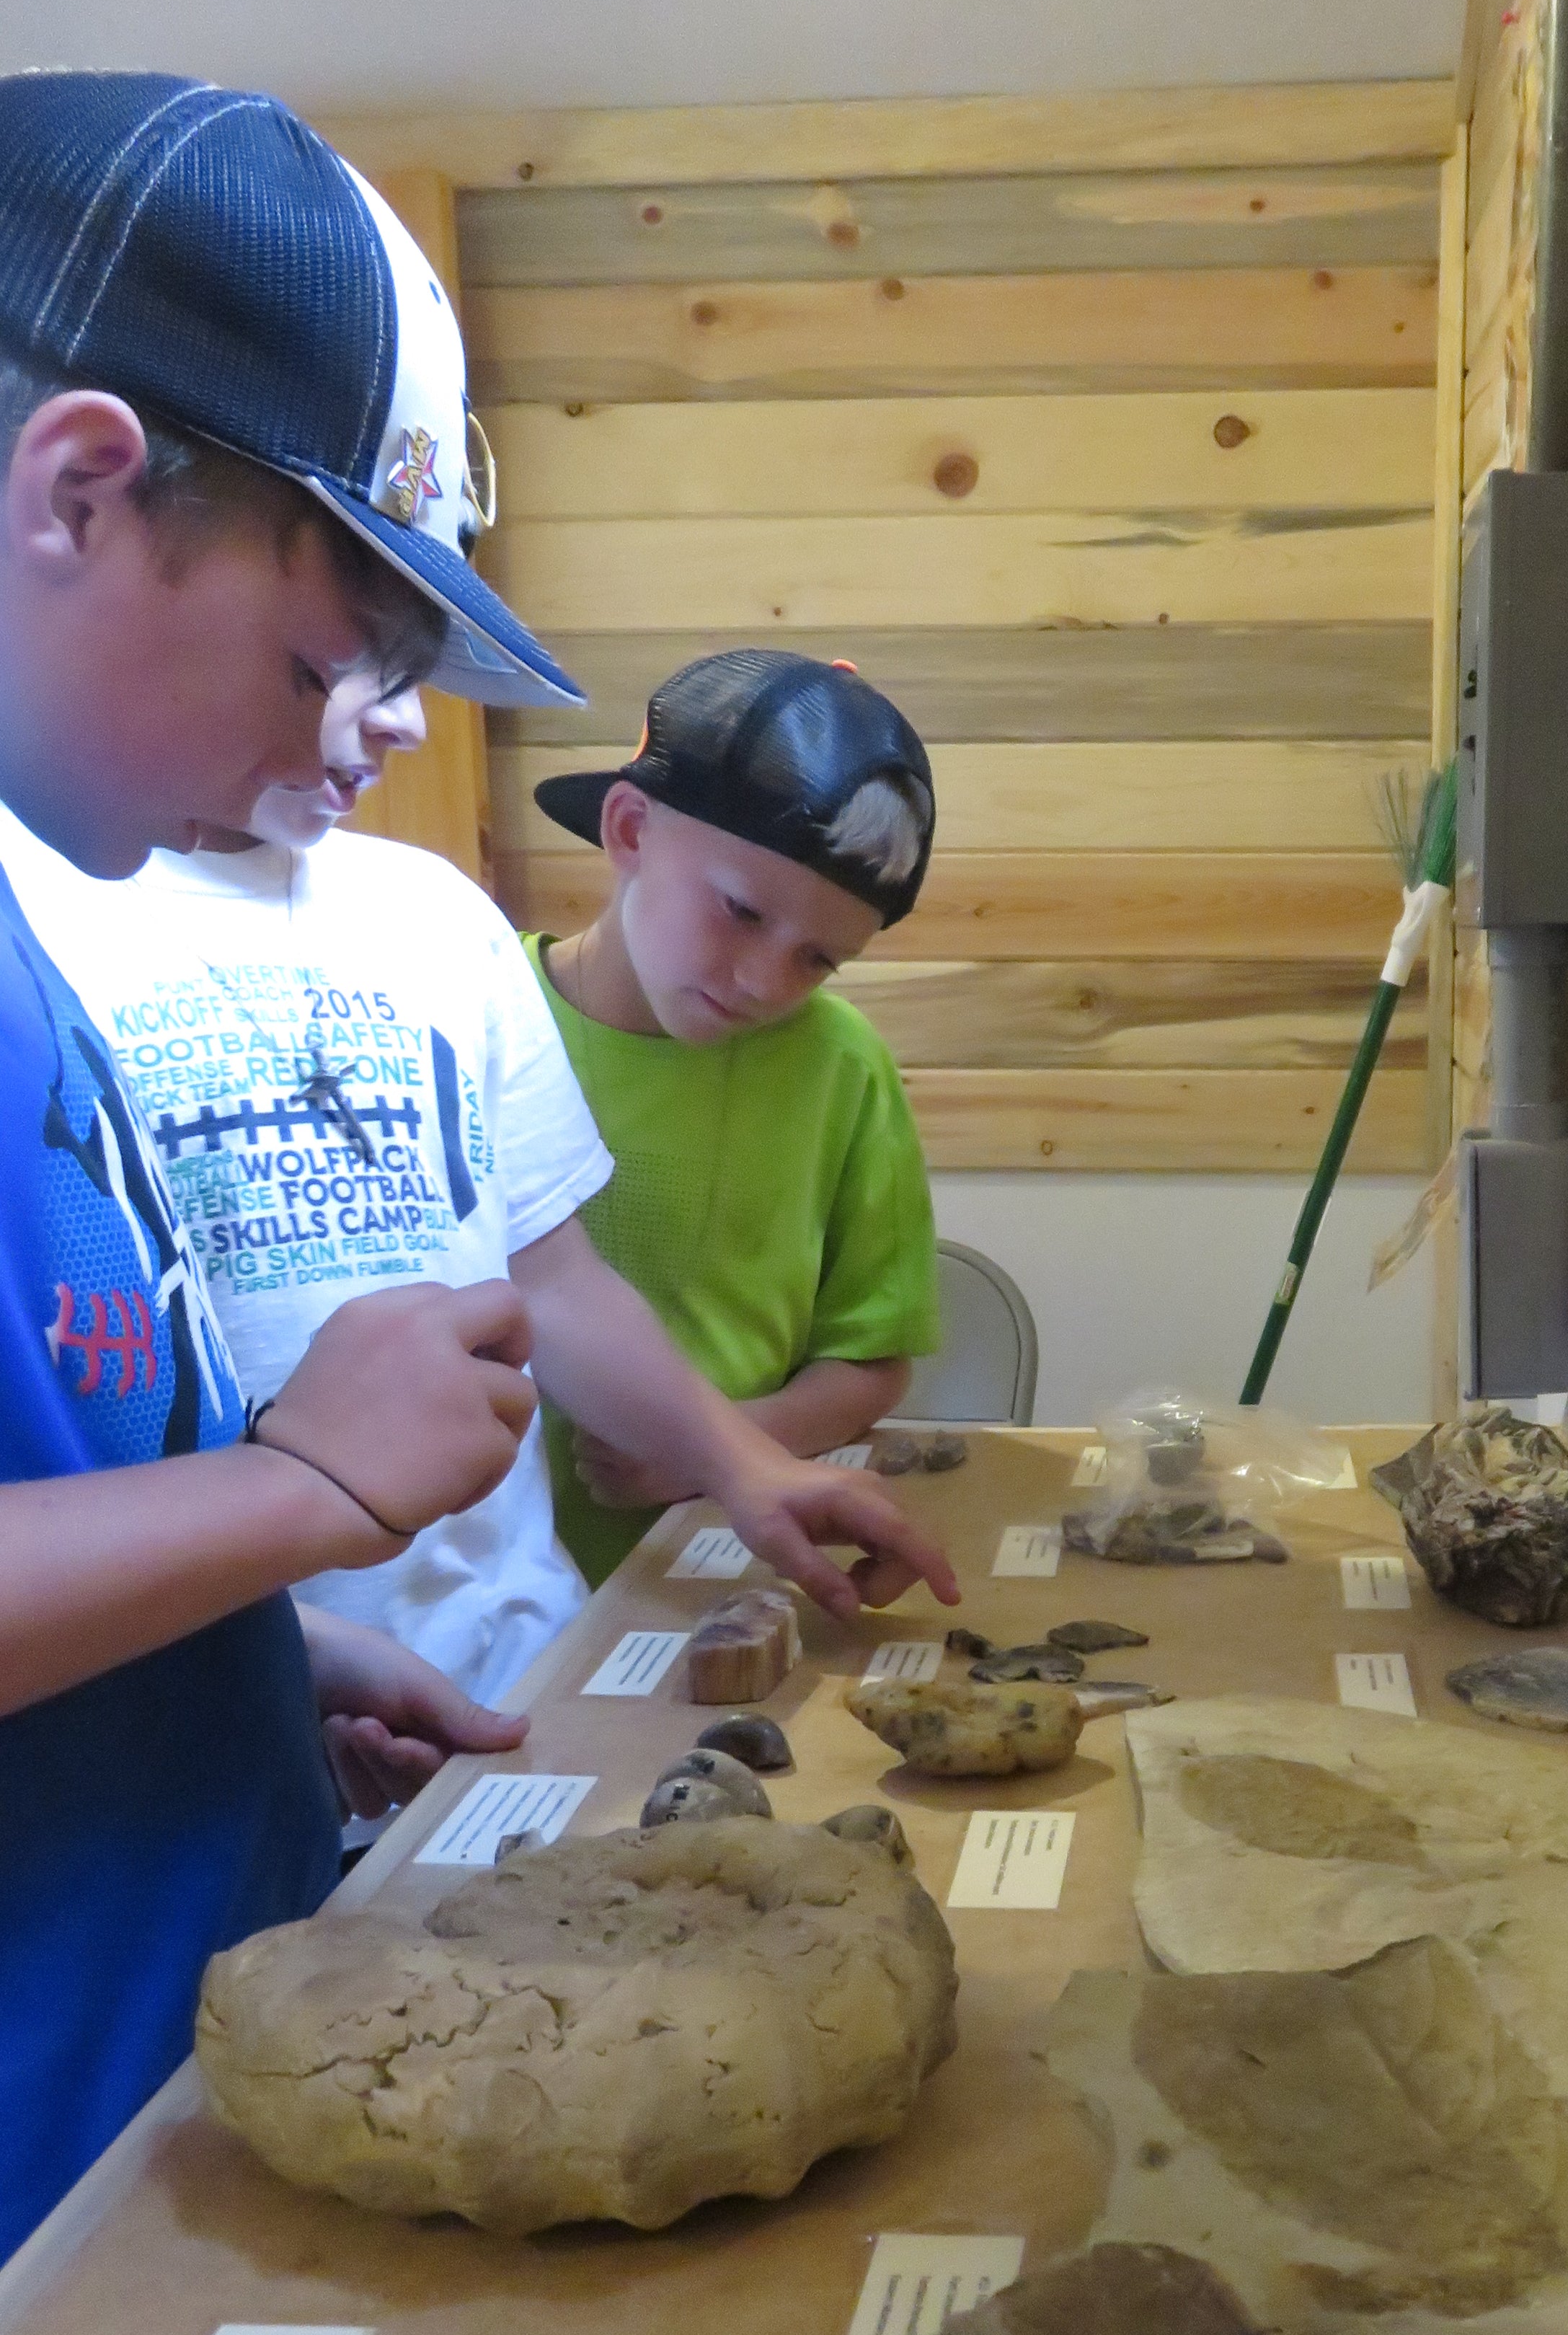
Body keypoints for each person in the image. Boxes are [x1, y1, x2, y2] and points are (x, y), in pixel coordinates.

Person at [0, 73, 949, 2264]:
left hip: (189, 2055)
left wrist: (242, 1649)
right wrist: (306, 1500)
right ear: (78, 490)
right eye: (337, 652)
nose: (394, 725)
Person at [11, 649, 957, 1711]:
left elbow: (550, 1279)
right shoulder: (33, 917)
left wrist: (743, 1464)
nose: (410, 723)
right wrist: (300, 1653)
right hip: (196, 1676)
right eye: (343, 652)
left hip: (512, 1661)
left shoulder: (435, 915)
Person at [523, 651, 947, 1584]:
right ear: (631, 828)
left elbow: (872, 1360)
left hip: (726, 1568)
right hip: (485, 1608)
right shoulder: (477, 1019)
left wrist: (717, 1452)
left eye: (818, 960)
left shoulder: (841, 1067)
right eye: (741, 912)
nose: (764, 982)